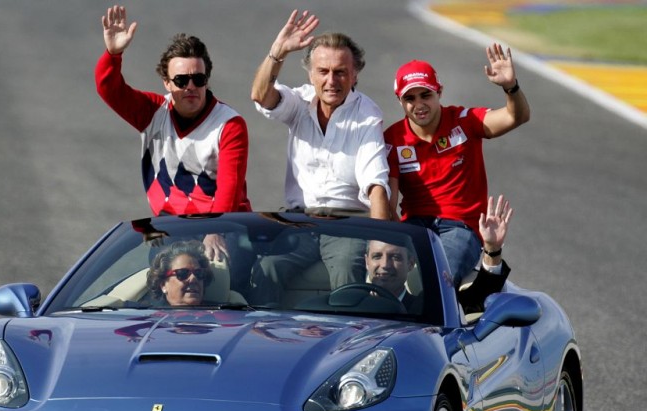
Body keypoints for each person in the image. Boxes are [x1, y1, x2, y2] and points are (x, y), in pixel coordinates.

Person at [249, 10, 391, 303]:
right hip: (298, 223)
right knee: (264, 268)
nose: (331, 81)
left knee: (345, 273)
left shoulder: (367, 116)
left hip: (347, 226)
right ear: (310, 74)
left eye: (340, 72)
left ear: (355, 75)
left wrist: (381, 242)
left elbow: (376, 185)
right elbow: (261, 96)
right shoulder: (299, 102)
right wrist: (277, 52)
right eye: (323, 72)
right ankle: (267, 339)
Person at [95, 5, 251, 261]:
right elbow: (109, 89)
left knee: (223, 271)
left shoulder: (229, 124)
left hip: (223, 225)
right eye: (181, 81)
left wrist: (215, 230)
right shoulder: (153, 111)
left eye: (198, 80)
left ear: (207, 81)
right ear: (166, 83)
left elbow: (229, 189)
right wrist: (114, 54)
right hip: (170, 227)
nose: (191, 87)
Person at [384, 44, 530, 286]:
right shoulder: (392, 139)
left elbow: (517, 116)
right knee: (387, 278)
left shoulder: (466, 121)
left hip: (461, 228)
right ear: (399, 100)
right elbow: (388, 202)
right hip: (414, 226)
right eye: (410, 98)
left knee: (439, 281)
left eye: (425, 95)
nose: (419, 104)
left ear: (439, 92)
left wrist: (510, 86)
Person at [365, 195, 514, 315]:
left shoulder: (432, 305)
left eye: (395, 257)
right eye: (377, 256)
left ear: (410, 263)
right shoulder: (349, 304)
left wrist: (492, 249)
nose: (385, 265)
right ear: (366, 262)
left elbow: (481, 297)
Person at [146, 240, 213, 306]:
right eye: (182, 273)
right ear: (163, 285)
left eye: (199, 273)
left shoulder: (220, 314)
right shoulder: (152, 316)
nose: (193, 278)